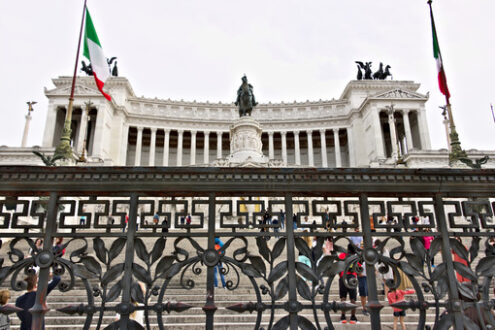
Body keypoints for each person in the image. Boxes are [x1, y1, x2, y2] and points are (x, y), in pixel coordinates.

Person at [338, 244, 358, 324]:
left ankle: (343, 316)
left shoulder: (342, 255)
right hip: (352, 277)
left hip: (343, 277)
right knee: (353, 299)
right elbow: (358, 268)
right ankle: (353, 317)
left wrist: (341, 275)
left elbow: (338, 266)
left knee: (343, 297)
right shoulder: (355, 257)